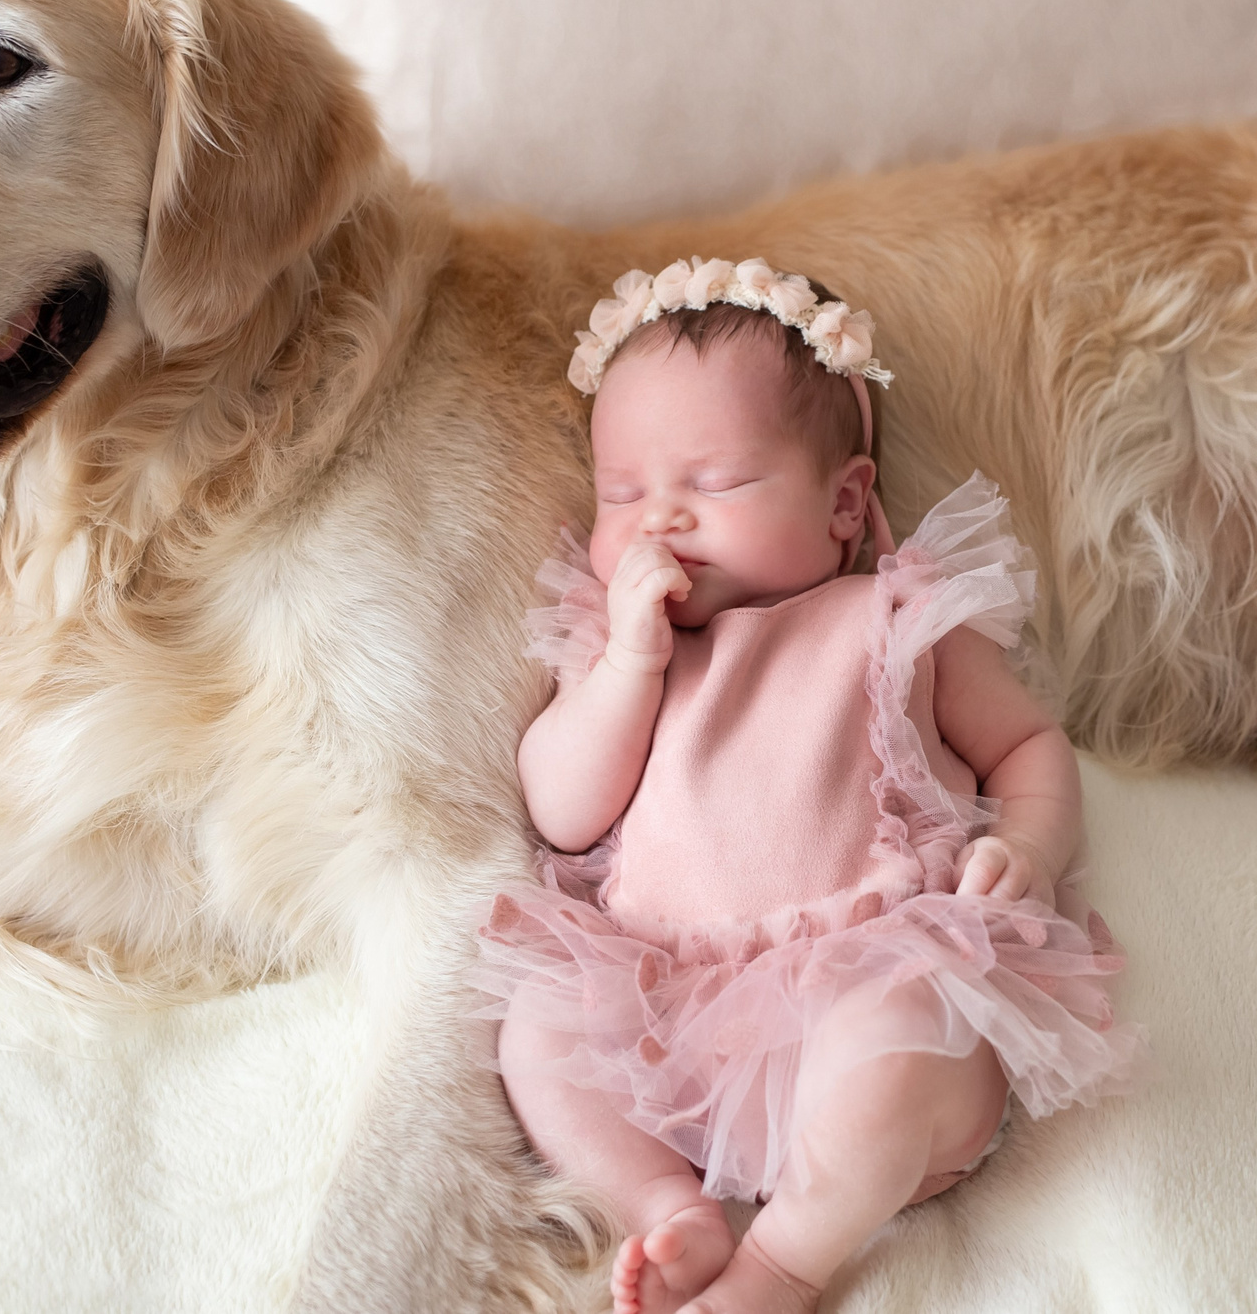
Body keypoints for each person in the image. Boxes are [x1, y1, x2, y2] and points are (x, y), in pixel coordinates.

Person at [477, 258, 1136, 1314]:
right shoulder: (614, 655)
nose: (658, 524)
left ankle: (782, 1265)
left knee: (904, 1034)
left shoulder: (899, 621)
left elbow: (1026, 744)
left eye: (716, 484)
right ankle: (665, 1208)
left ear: (844, 502)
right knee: (534, 1030)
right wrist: (628, 671)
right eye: (623, 494)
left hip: (867, 977)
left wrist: (1032, 843)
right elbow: (562, 812)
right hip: (667, 1010)